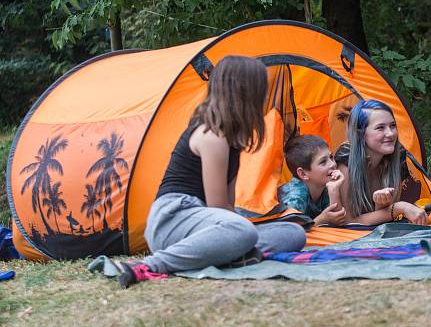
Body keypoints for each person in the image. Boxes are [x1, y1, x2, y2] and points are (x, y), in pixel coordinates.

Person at [117, 56, 306, 288]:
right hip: (174, 219)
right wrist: (242, 227)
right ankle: (154, 264)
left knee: (293, 233)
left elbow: (227, 205)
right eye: (261, 91)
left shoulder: (233, 141)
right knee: (242, 230)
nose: (264, 97)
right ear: (245, 94)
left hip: (205, 223)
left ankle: (231, 255)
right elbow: (217, 206)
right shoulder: (212, 136)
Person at [341, 99, 428, 225]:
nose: (390, 133)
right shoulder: (346, 161)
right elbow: (349, 222)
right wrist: (401, 207)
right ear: (360, 133)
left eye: (393, 125)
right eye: (380, 128)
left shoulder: (396, 158)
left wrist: (381, 204)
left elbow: (384, 218)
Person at [280, 135, 347, 226]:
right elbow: (289, 232)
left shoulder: (324, 186)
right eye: (323, 162)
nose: (332, 164)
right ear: (303, 174)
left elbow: (339, 221)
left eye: (331, 157)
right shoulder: (295, 196)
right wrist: (321, 220)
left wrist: (334, 190)